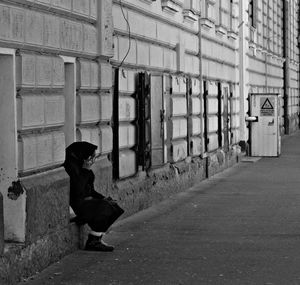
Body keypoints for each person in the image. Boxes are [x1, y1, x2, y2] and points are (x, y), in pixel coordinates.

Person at [63, 141, 124, 252]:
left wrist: (103, 198)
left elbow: (91, 191)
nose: (92, 160)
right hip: (77, 206)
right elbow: (78, 191)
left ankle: (97, 237)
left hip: (87, 203)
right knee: (105, 207)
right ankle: (93, 242)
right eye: (91, 157)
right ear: (83, 156)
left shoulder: (87, 171)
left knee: (115, 208)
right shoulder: (71, 168)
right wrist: (85, 170)